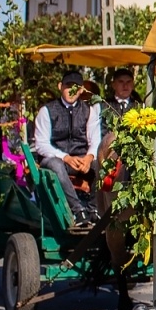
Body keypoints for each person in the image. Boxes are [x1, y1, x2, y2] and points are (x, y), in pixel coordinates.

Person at [32, 70, 103, 228]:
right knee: (56, 165)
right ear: (60, 86)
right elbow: (41, 145)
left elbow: (95, 140)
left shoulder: (89, 110)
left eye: (76, 87)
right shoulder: (47, 111)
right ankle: (77, 210)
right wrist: (65, 157)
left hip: (81, 159)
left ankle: (94, 210)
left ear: (81, 90)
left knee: (101, 165)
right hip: (56, 159)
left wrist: (89, 158)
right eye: (68, 86)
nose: (72, 91)